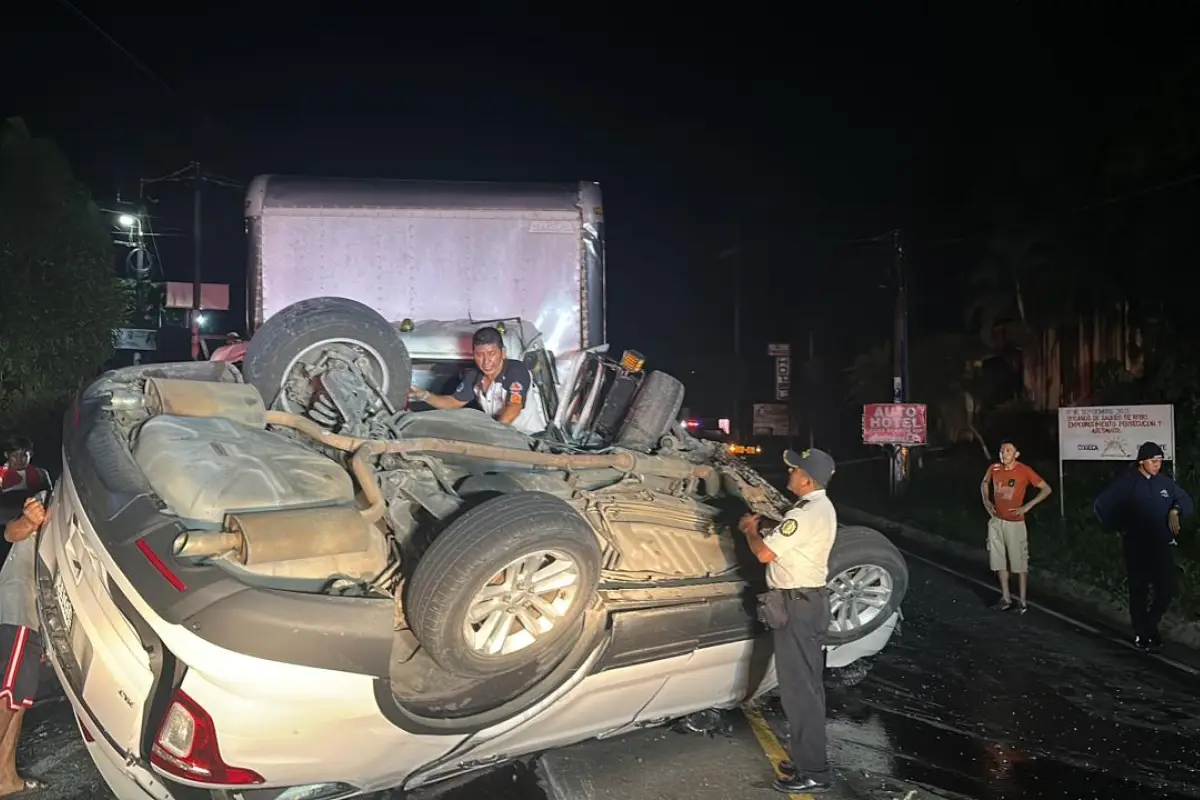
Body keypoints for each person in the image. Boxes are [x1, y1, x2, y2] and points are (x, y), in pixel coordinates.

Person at [739, 448, 838, 794]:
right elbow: (788, 540)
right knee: (805, 687)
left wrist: (751, 530)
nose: (789, 476)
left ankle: (813, 771)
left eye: (795, 471)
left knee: (800, 692)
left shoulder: (807, 514)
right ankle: (805, 759)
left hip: (799, 605)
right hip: (805, 603)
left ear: (807, 479)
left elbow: (765, 553)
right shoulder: (814, 509)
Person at [1093, 441, 1193, 652]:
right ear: (1142, 462)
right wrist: (1120, 526)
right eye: (1153, 461)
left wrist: (1176, 509)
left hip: (1161, 544)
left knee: (1166, 589)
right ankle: (1142, 632)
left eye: (1160, 461)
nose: (1158, 465)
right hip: (1137, 545)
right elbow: (1102, 505)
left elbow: (1185, 499)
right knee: (1139, 589)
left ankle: (1149, 626)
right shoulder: (1127, 483)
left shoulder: (1164, 483)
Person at [407, 327, 544, 434]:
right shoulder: (474, 376)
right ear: (474, 355)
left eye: (491, 354)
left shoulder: (515, 370)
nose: (486, 361)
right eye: (480, 355)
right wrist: (424, 396)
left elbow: (514, 406)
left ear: (503, 353)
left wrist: (495, 433)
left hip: (531, 438)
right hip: (504, 439)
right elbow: (454, 402)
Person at [0, 495, 48, 797]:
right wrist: (30, 521)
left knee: (17, 701)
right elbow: (10, 531)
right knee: (6, 695)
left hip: (31, 617)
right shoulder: (23, 501)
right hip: (16, 613)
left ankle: (5, 778)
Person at [979, 440, 1052, 613]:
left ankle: (1022, 602)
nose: (1004, 454)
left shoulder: (1024, 471)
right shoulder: (994, 469)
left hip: (1015, 523)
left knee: (1019, 564)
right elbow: (984, 483)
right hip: (997, 521)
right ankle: (1005, 598)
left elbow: (1046, 489)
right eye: (1002, 451)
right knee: (999, 562)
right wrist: (986, 501)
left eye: (1008, 451)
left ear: (1016, 454)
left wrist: (1027, 506)